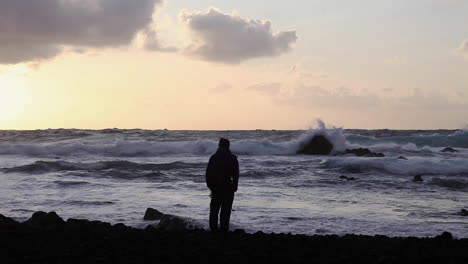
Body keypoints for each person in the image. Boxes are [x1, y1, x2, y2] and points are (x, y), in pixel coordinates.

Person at [205, 138, 239, 232]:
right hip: (228, 186)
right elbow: (235, 174)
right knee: (226, 211)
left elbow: (208, 174)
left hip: (215, 187)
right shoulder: (232, 158)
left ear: (219, 146)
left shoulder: (213, 157)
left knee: (214, 210)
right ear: (228, 146)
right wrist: (235, 186)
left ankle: (213, 230)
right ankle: (224, 230)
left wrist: (210, 186)